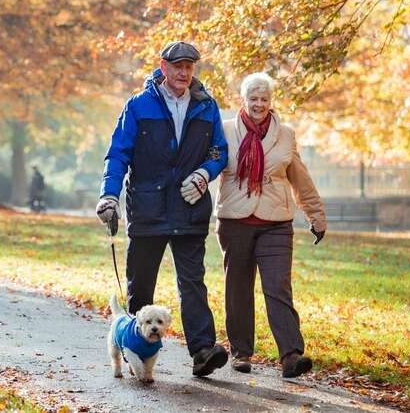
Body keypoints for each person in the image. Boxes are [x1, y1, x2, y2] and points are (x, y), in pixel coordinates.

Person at [96, 41, 230, 377]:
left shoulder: (206, 106)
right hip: (148, 209)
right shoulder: (139, 105)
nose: (184, 72)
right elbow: (118, 154)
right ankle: (135, 348)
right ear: (163, 66)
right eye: (178, 66)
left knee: (193, 284)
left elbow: (219, 152)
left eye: (190, 66)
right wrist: (108, 196)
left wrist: (204, 174)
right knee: (140, 286)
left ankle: (202, 351)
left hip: (189, 208)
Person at [215, 72, 327, 378]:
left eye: (264, 99)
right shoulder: (224, 131)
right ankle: (241, 353)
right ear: (244, 100)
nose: (259, 104)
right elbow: (208, 166)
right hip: (235, 221)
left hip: (276, 222)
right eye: (253, 99)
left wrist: (316, 215)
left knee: (278, 287)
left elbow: (300, 178)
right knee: (237, 288)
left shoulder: (286, 134)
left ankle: (291, 355)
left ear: (271, 101)